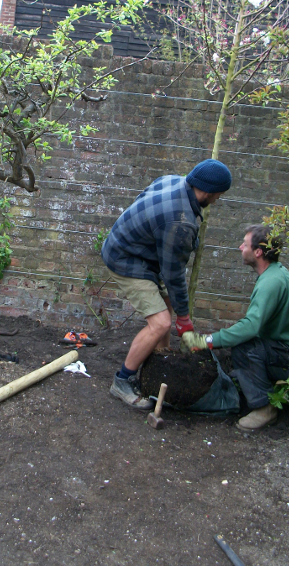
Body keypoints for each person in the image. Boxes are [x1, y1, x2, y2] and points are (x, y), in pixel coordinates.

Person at [101, 159, 232, 410]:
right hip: (126, 258)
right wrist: (184, 319)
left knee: (167, 304)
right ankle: (122, 380)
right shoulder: (180, 223)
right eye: (218, 196)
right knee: (160, 322)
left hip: (142, 250)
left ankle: (160, 363)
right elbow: (173, 275)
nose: (217, 200)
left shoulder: (175, 181)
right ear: (206, 191)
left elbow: (146, 196)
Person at [183, 224, 289, 432]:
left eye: (244, 244)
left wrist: (206, 341)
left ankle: (265, 408)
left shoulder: (271, 282)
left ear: (258, 252)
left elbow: (251, 327)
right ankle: (260, 387)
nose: (239, 247)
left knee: (245, 348)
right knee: (245, 346)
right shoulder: (275, 274)